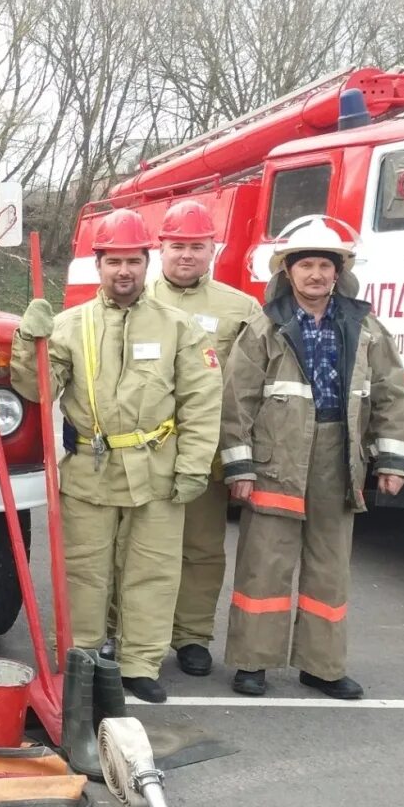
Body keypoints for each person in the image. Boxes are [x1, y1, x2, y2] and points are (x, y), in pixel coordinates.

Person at [11, 208, 220, 703]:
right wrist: (27, 342)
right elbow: (37, 390)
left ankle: (139, 663)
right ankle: (81, 659)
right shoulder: (68, 326)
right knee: (84, 570)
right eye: (113, 261)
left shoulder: (179, 327)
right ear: (98, 264)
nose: (123, 271)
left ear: (146, 263)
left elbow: (202, 401)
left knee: (152, 569)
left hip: (158, 469)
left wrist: (193, 466)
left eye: (132, 260)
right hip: (90, 470)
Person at [220, 221, 404, 699]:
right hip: (276, 459)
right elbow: (236, 399)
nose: (315, 274)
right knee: (265, 561)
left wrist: (391, 461)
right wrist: (239, 466)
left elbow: (391, 394)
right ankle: (252, 662)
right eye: (305, 264)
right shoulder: (265, 325)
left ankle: (322, 666)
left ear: (338, 271)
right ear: (288, 271)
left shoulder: (365, 327)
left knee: (330, 564)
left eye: (325, 264)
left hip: (339, 456)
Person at [144, 200, 261, 678]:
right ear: (161, 249)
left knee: (202, 548)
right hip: (143, 450)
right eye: (177, 246)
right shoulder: (135, 297)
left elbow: (252, 386)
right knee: (140, 548)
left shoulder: (240, 309)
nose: (186, 255)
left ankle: (191, 636)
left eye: (197, 246)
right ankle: (129, 633)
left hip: (207, 452)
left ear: (213, 249)